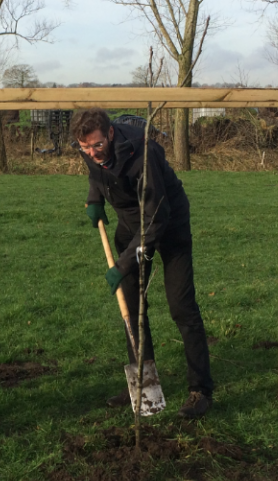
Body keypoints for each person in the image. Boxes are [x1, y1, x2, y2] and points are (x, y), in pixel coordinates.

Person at [71, 108, 214, 419]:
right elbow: (96, 170)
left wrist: (123, 264)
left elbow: (155, 220)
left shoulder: (143, 155)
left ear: (110, 134)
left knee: (181, 307)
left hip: (167, 223)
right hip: (130, 222)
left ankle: (200, 390)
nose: (92, 152)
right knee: (132, 305)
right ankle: (141, 383)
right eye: (85, 147)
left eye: (97, 145)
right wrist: (94, 198)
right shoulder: (89, 148)